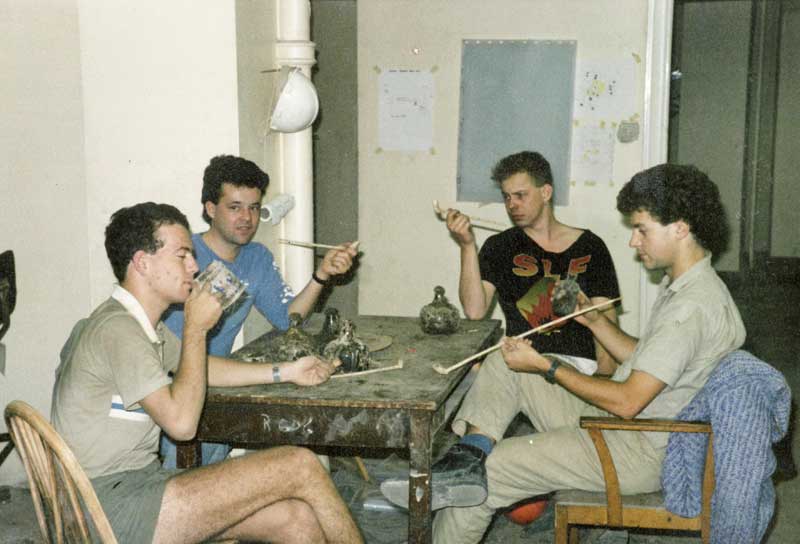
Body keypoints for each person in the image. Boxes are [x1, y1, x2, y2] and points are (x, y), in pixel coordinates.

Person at [386, 163, 747, 543]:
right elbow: (646, 357)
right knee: (505, 365)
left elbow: (627, 401)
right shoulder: (689, 286)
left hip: (636, 447)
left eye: (641, 229)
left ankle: (469, 470)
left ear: (680, 228)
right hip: (622, 426)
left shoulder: (692, 307)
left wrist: (547, 366)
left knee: (493, 471)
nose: (633, 241)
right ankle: (466, 456)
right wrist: (591, 318)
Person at [51, 202, 363, 544]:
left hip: (139, 486)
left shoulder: (135, 325)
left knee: (296, 518)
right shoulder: (119, 331)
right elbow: (183, 426)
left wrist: (286, 371)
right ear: (142, 262)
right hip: (104, 510)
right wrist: (195, 329)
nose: (195, 266)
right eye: (182, 255)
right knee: (300, 464)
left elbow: (203, 368)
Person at [381, 150, 621, 511]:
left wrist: (602, 397)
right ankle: (467, 463)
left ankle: (465, 460)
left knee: (501, 360)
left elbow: (609, 337)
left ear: (546, 192)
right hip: (522, 365)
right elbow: (475, 311)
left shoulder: (591, 246)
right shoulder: (501, 246)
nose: (512, 205)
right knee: (503, 359)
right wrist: (467, 247)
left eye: (520, 195)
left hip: (575, 376)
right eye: (506, 197)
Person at [161, 154, 358, 468]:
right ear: (210, 209)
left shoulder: (257, 258)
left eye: (253, 208)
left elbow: (287, 318)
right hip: (170, 393)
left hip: (220, 390)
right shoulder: (186, 256)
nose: (246, 218)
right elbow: (164, 353)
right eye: (235, 207)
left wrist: (322, 274)